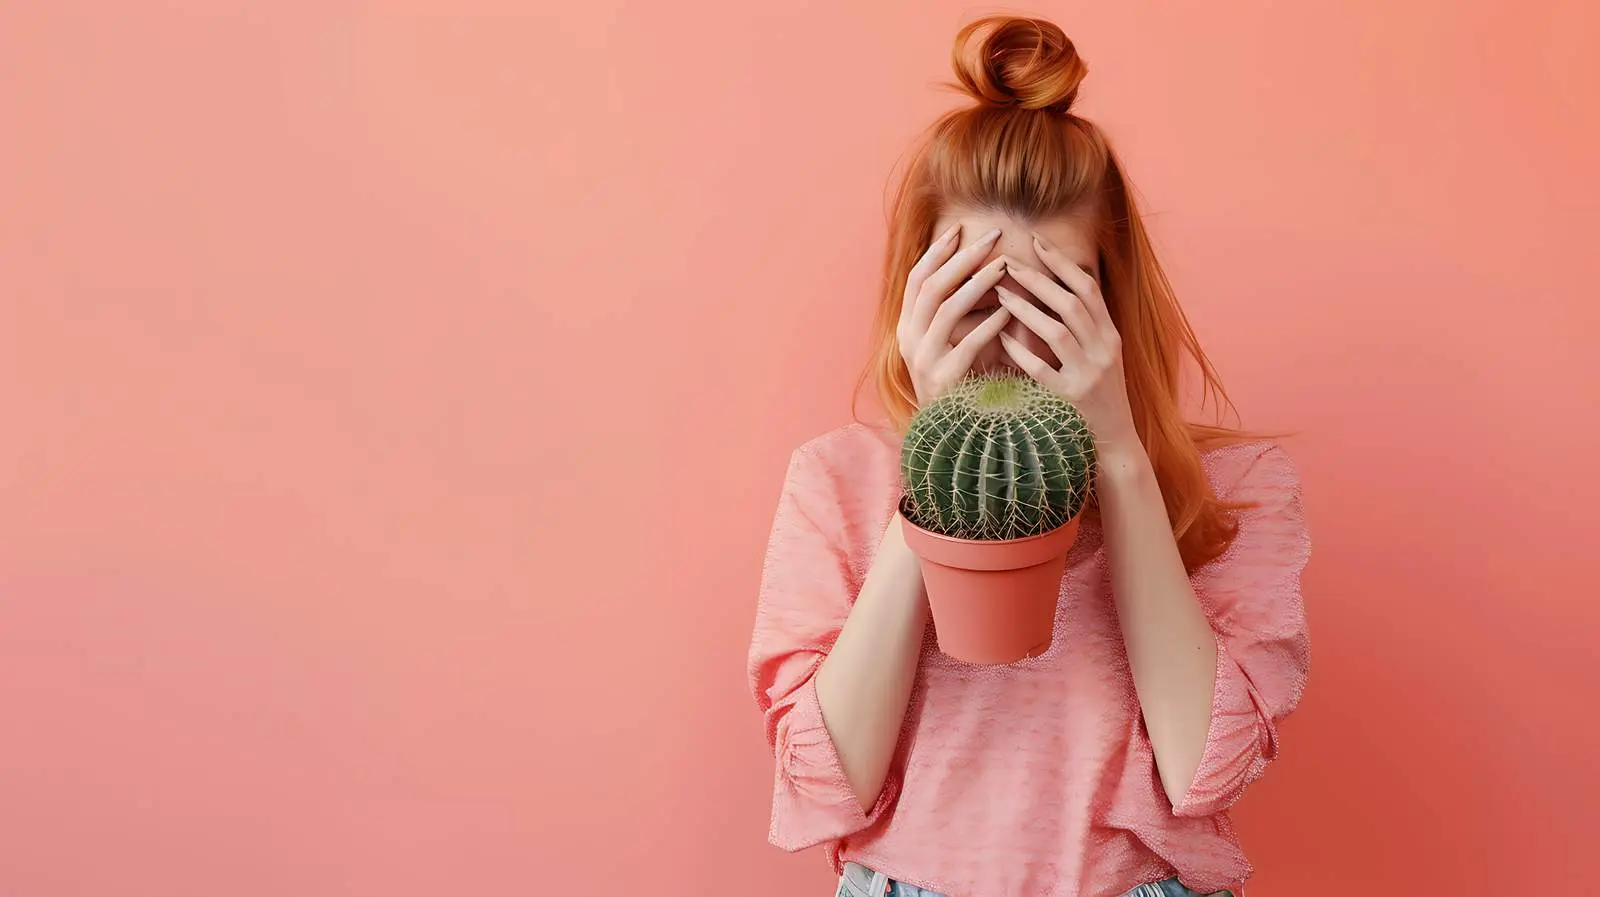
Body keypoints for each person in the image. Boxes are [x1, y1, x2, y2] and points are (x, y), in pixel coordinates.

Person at [746, 14, 1311, 897]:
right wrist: (934, 466)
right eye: (973, 300)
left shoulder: (1237, 489)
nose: (1009, 342)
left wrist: (1119, 454)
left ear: (1111, 300)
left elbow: (1209, 767)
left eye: (1049, 301)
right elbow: (826, 781)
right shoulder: (835, 479)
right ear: (914, 296)